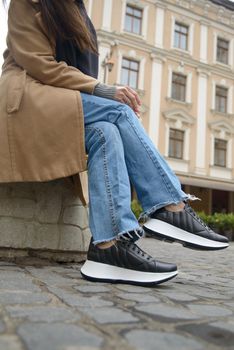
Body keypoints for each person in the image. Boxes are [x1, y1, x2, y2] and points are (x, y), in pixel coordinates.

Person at [0, 0, 229, 286]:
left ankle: (108, 249)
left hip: (60, 105)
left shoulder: (76, 11)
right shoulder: (28, 2)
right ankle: (169, 207)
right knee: (118, 111)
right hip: (27, 99)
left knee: (106, 132)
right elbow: (38, 64)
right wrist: (103, 90)